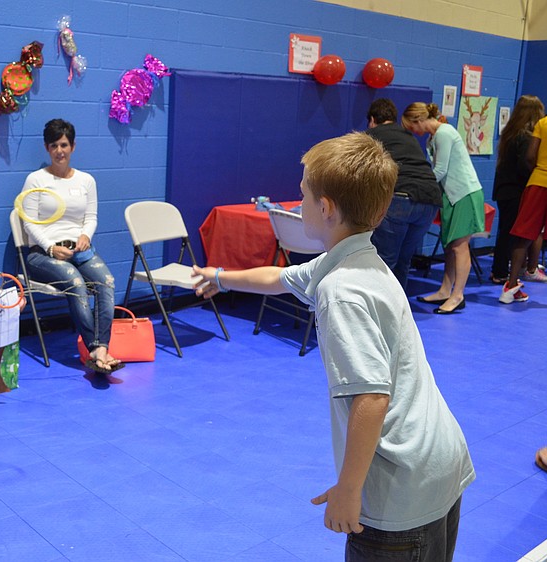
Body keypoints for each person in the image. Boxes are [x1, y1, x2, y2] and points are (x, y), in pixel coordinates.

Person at [193, 132, 474, 562]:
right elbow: (279, 278)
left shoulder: (341, 290)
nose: (299, 201)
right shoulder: (356, 257)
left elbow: (372, 397)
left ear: (324, 208)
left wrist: (349, 488)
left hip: (397, 492)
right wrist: (220, 276)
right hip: (437, 463)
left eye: (303, 194)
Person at [19, 118, 122, 374]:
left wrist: (86, 235)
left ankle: (100, 350)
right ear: (47, 148)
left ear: (73, 146)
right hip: (42, 255)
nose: (59, 151)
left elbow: (91, 217)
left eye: (64, 145)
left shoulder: (87, 180)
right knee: (76, 284)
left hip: (80, 251)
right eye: (53, 145)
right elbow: (28, 222)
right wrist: (51, 248)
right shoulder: (35, 180)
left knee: (106, 282)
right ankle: (94, 349)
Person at [404, 102, 486, 314]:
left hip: (464, 194)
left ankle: (457, 295)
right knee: (450, 246)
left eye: (412, 126)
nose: (413, 131)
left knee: (460, 246)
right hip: (450, 196)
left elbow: (440, 170)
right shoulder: (432, 138)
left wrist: (416, 184)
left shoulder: (444, 133)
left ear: (419, 120)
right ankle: (444, 290)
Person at [365, 98, 441, 289]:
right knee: (403, 260)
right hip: (430, 200)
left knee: (385, 261)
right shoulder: (409, 137)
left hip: (400, 197)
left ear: (373, 119)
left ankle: (377, 312)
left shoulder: (371, 136)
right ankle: (397, 313)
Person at [491, 95, 547, 285]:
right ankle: (501, 272)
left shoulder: (511, 133)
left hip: (504, 188)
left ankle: (501, 270)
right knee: (513, 233)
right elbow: (527, 162)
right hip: (517, 189)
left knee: (506, 231)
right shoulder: (525, 136)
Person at [501, 109, 547, 303]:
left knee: (525, 234)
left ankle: (510, 286)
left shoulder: (543, 123)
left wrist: (540, 172)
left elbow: (530, 156)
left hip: (538, 183)